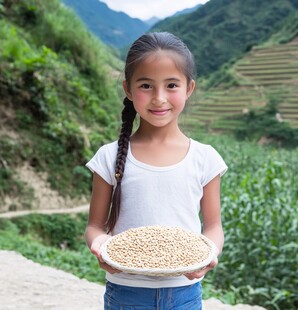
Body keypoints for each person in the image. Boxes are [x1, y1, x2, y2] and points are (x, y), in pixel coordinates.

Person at [85, 31, 228, 310]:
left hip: (185, 292)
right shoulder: (109, 156)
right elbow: (94, 226)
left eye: (172, 85)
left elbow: (213, 226)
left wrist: (210, 253)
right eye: (146, 85)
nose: (159, 98)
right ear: (128, 89)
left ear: (189, 88)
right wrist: (100, 243)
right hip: (127, 291)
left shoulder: (205, 158)